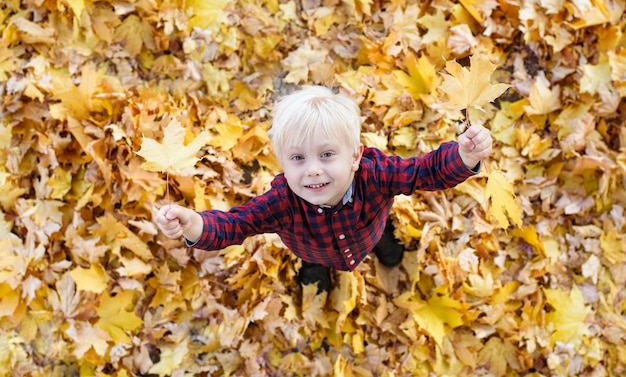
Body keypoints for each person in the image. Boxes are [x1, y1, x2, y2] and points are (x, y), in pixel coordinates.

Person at [155, 85, 492, 294]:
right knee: (316, 266)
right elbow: (236, 224)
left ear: (355, 156)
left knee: (385, 244)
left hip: (368, 232)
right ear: (283, 164)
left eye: (327, 155)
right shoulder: (281, 201)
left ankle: (383, 244)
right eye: (298, 158)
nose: (313, 169)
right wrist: (193, 225)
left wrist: (464, 156)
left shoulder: (374, 174)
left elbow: (425, 171)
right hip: (312, 249)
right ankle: (317, 270)